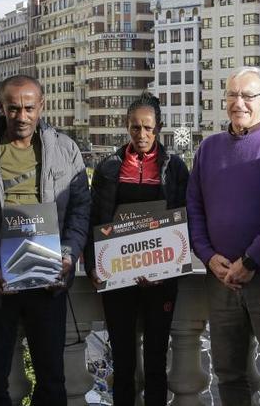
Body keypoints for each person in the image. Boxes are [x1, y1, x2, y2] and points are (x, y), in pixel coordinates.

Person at [186, 66, 260, 406]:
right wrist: (208, 257)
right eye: (232, 95)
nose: (238, 102)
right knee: (228, 374)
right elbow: (194, 209)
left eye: (247, 95)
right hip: (220, 279)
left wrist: (251, 260)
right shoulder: (208, 149)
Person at [0, 75, 90, 406]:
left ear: (42, 107)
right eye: (13, 109)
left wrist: (68, 256)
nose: (21, 117)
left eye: (28, 108)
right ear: (1, 107)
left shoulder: (65, 149)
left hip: (48, 281)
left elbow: (81, 210)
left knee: (52, 380)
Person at [84, 93, 189, 406]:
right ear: (126, 128)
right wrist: (92, 265)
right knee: (124, 360)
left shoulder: (175, 169)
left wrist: (165, 269)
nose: (141, 135)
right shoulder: (108, 169)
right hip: (117, 279)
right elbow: (94, 219)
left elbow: (185, 219)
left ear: (158, 128)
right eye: (134, 128)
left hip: (162, 278)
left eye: (147, 128)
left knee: (157, 358)